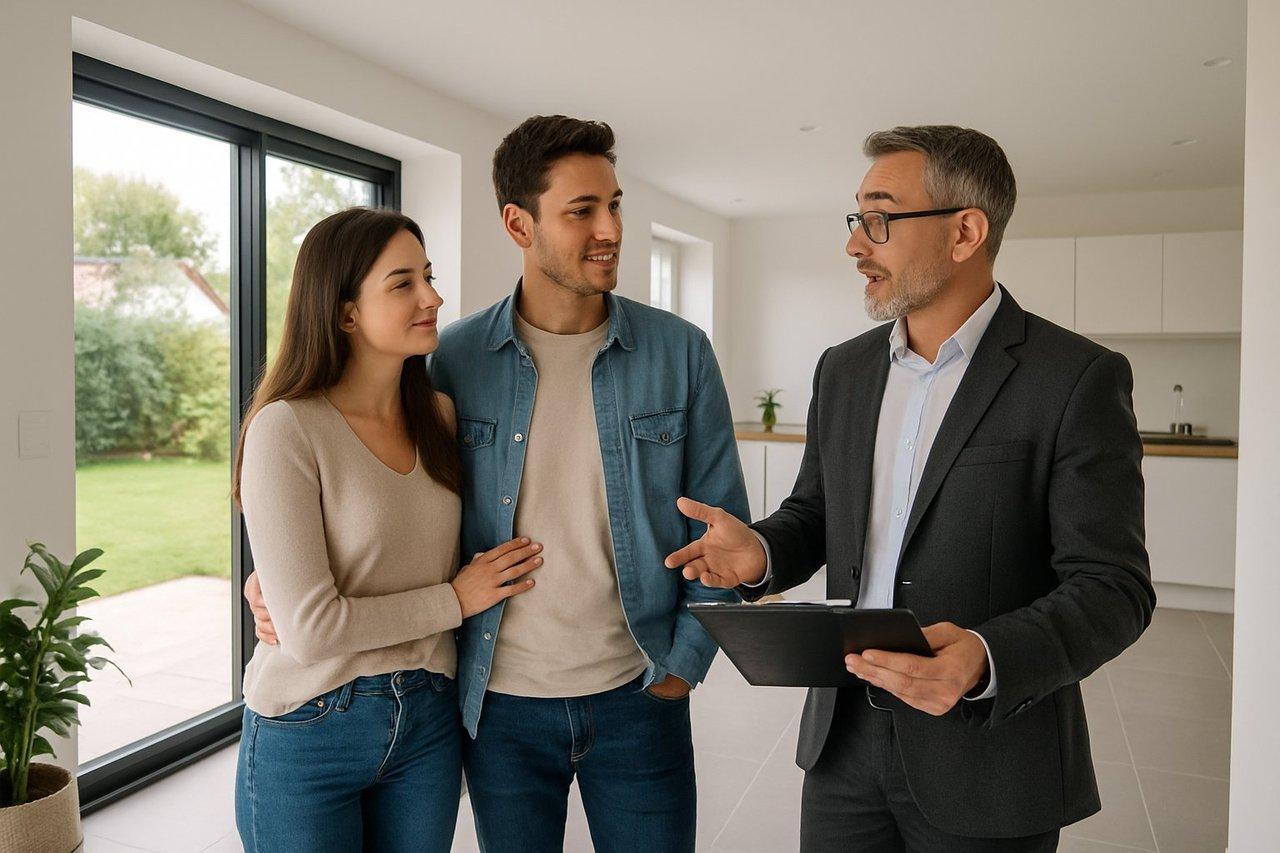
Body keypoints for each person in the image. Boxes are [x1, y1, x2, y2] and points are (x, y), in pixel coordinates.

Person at [665, 125, 1156, 851]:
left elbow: (1113, 586)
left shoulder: (1075, 378)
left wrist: (984, 657)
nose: (855, 244)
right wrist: (761, 552)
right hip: (843, 742)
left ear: (965, 231)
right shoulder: (845, 370)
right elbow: (817, 512)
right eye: (856, 218)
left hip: (988, 756)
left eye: (880, 218)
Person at [430, 114, 747, 852]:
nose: (610, 228)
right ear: (519, 222)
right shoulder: (453, 360)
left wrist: (682, 667)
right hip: (500, 706)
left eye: (615, 204)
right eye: (582, 210)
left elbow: (721, 525)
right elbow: (400, 506)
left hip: (640, 694)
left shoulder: (680, 352)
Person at [233, 207, 539, 852]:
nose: (433, 297)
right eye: (403, 283)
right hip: (309, 727)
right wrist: (455, 600)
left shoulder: (441, 415)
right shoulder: (286, 428)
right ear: (345, 312)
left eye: (427, 276)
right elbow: (313, 632)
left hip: (427, 719)